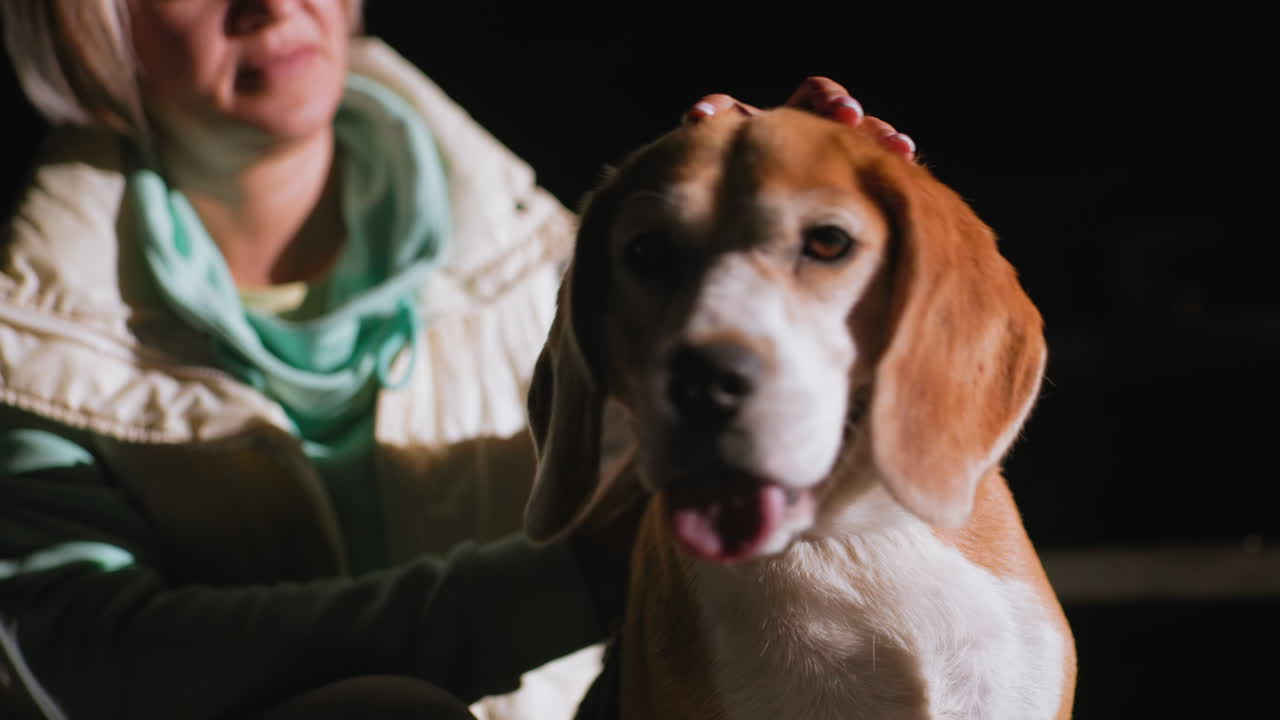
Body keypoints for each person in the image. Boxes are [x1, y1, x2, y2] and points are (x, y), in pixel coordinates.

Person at [0, 2, 916, 718]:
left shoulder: (545, 251)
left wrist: (793, 263)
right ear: (84, 18)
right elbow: (96, 662)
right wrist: (566, 584)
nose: (270, 6)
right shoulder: (31, 341)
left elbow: (739, 499)